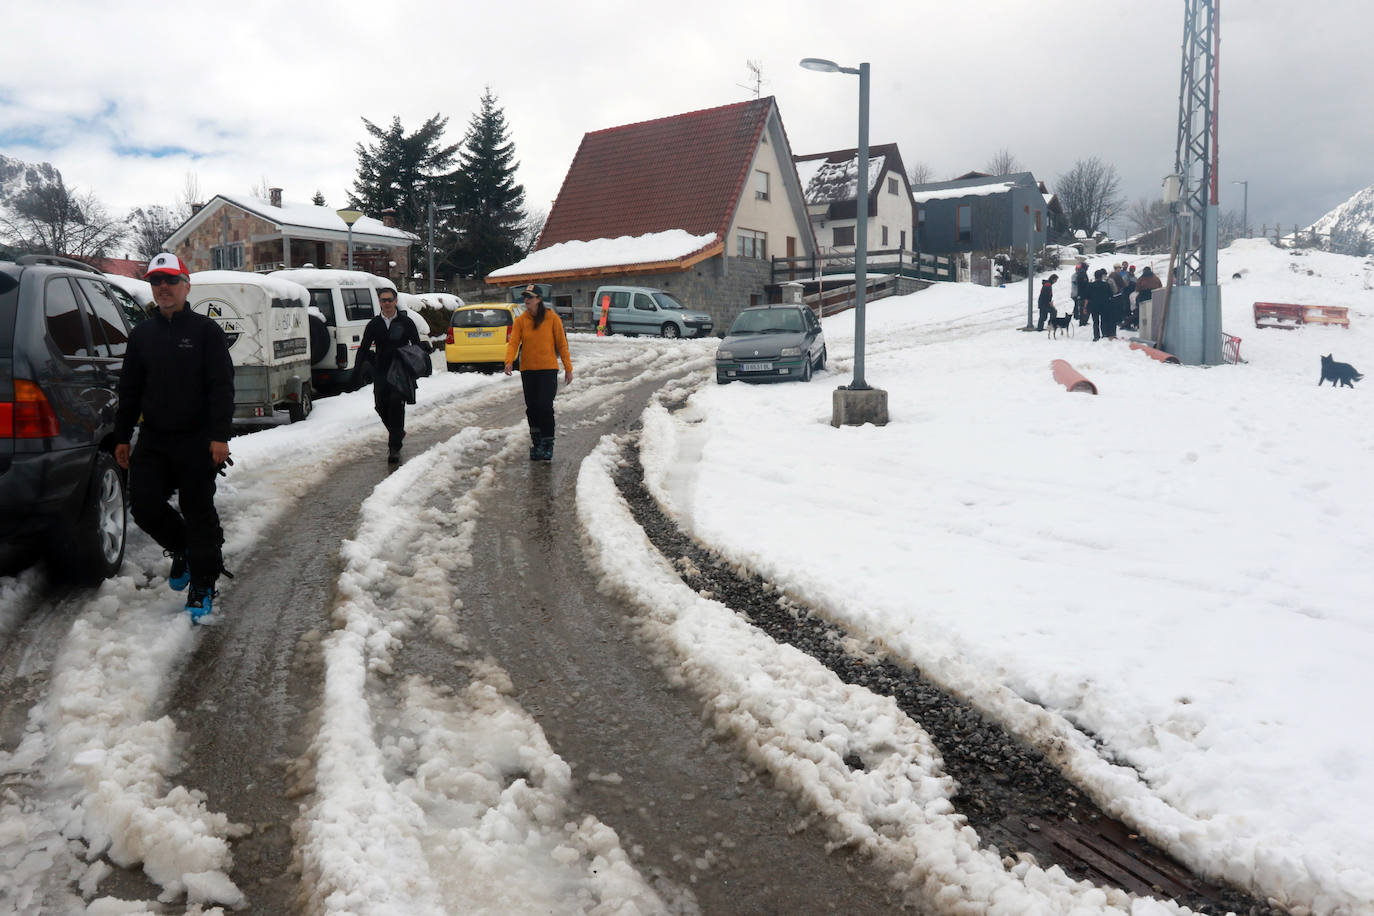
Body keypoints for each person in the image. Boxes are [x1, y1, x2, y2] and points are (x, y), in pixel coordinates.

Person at [114, 253, 234, 620]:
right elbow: (130, 388)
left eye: (169, 280)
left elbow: (221, 387)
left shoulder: (205, 331)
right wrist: (122, 436)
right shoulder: (142, 334)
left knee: (199, 512)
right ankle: (184, 550)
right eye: (155, 281)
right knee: (144, 505)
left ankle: (203, 582)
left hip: (198, 440)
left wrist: (219, 436)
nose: (162, 287)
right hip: (155, 439)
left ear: (186, 285)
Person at [504, 284, 573, 461]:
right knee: (532, 408)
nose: (527, 300)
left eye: (531, 297)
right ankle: (537, 444)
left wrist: (568, 368)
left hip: (548, 369)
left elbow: (562, 345)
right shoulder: (520, 320)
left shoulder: (552, 318)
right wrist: (509, 361)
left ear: (539, 299)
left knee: (545, 407)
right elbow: (513, 343)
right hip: (528, 370)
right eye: (525, 296)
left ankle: (548, 444)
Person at [356, 287, 423, 464]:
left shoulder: (406, 323)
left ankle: (394, 447)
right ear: (379, 302)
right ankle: (397, 432)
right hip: (381, 370)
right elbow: (364, 347)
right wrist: (357, 370)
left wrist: (417, 362)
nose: (386, 303)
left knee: (396, 403)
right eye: (383, 300)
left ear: (395, 301)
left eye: (389, 300)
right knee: (380, 405)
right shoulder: (374, 324)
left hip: (400, 370)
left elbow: (416, 345)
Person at [1086, 268, 1113, 341]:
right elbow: (1110, 295)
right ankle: (1104, 334)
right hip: (1104, 306)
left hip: (1094, 306)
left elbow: (1087, 297)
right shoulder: (1106, 285)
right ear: (1101, 276)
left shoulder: (1090, 285)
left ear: (1095, 276)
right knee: (1103, 320)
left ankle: (1096, 336)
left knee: (1095, 322)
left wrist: (1086, 307)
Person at [1133, 266, 1162, 332]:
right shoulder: (1156, 278)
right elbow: (1160, 287)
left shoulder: (1141, 278)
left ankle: (1140, 324)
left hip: (1143, 297)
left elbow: (1137, 289)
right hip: (1154, 297)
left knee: (1141, 311)